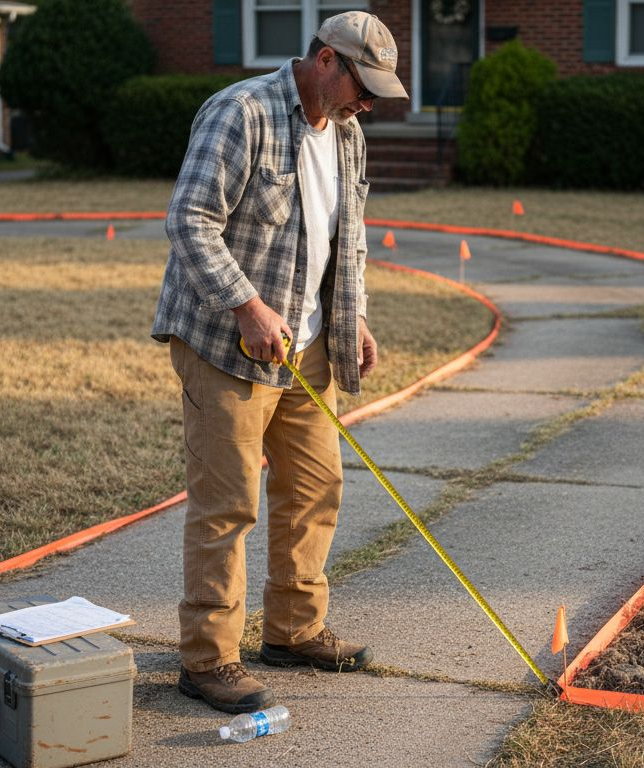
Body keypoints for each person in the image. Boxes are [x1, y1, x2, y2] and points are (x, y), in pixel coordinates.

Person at [150, 11, 409, 715]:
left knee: (315, 488)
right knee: (227, 503)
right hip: (224, 344)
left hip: (307, 345)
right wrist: (247, 306)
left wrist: (354, 317)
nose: (368, 104)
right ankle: (208, 659)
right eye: (363, 86)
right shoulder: (241, 113)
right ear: (325, 60)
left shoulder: (348, 135)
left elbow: (349, 238)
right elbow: (188, 220)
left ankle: (292, 631)